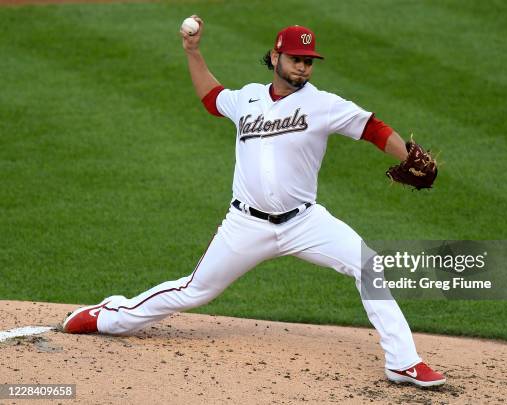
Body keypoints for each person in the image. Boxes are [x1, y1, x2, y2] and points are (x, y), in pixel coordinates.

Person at [62, 15, 445, 388]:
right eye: (296, 59)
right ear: (275, 57)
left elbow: (373, 128)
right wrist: (193, 52)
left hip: (304, 223)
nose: (304, 67)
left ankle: (403, 362)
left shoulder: (324, 104)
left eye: (309, 61)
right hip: (246, 225)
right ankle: (109, 316)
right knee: (194, 290)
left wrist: (407, 154)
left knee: (368, 265)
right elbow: (212, 98)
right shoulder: (246, 98)